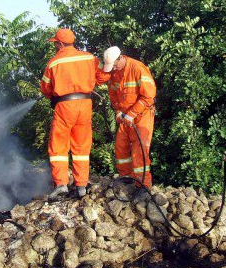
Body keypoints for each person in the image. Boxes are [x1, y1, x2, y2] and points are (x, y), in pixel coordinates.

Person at [40, 28, 109, 200]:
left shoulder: (54, 63)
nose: (55, 45)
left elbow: (45, 88)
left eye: (55, 42)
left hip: (65, 106)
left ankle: (61, 184)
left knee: (58, 146)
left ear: (60, 43)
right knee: (81, 146)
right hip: (85, 104)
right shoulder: (88, 57)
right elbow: (102, 77)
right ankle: (81, 186)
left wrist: (53, 96)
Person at [102, 46, 156, 189]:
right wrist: (119, 111)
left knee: (140, 150)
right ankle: (126, 178)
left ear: (121, 58)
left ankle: (143, 185)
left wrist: (132, 114)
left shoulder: (137, 68)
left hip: (142, 115)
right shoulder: (114, 73)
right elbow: (113, 96)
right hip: (125, 116)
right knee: (121, 147)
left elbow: (149, 96)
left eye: (114, 65)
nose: (113, 68)